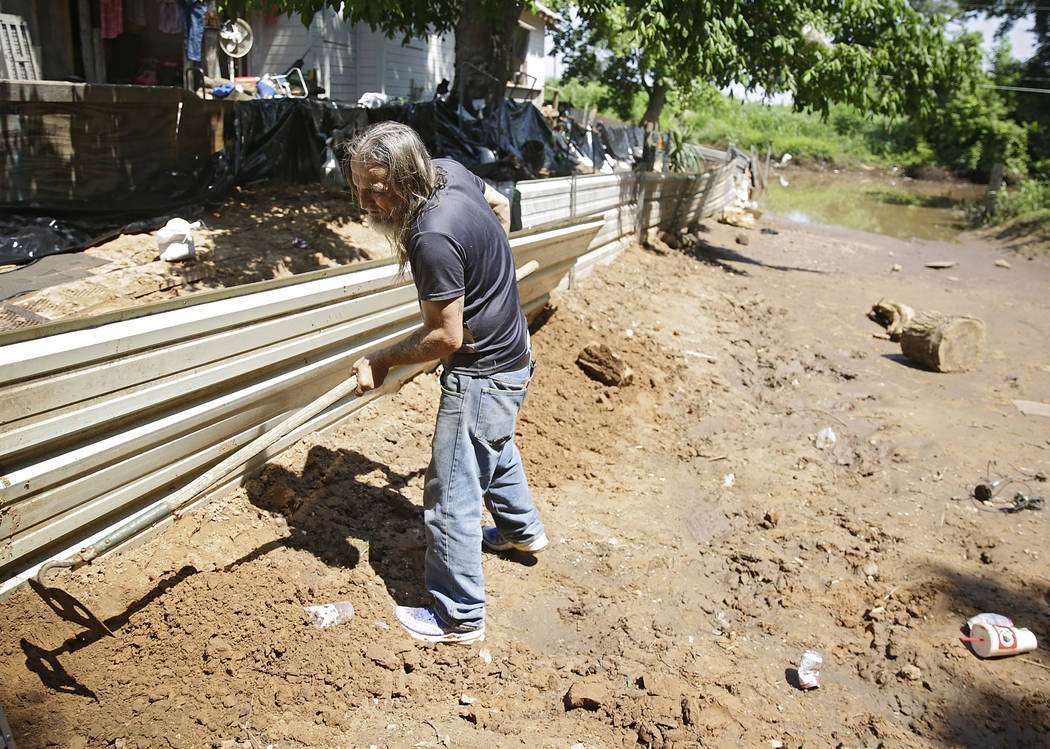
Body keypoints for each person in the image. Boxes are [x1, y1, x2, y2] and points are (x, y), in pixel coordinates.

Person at [344, 122, 547, 644]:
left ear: (407, 178)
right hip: (513, 348)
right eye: (356, 186)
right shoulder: (451, 172)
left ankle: (458, 615)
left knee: (452, 488)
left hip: (482, 370)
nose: (364, 202)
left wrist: (383, 359)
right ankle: (520, 533)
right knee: (491, 445)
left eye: (375, 189)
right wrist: (488, 267)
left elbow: (444, 338)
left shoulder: (430, 235)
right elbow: (499, 204)